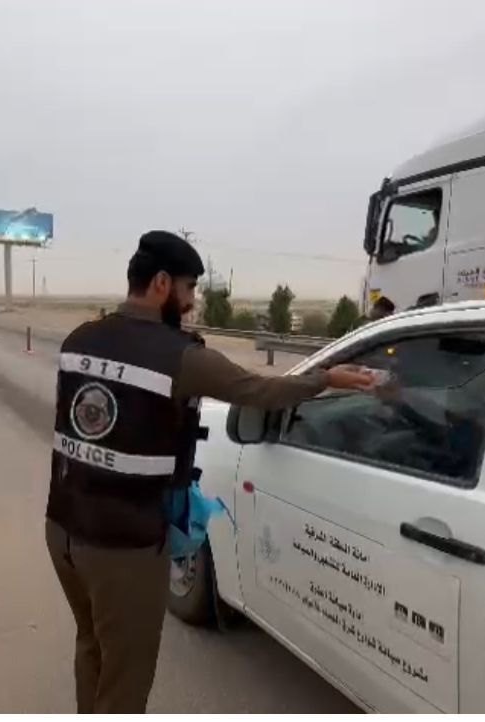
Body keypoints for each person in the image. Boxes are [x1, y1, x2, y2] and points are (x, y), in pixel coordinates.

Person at [45, 230, 375, 713]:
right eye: (190, 288)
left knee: (90, 645)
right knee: (125, 679)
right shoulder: (180, 357)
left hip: (61, 531)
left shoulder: (80, 339)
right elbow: (260, 391)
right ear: (162, 284)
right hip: (123, 547)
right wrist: (324, 378)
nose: (192, 302)